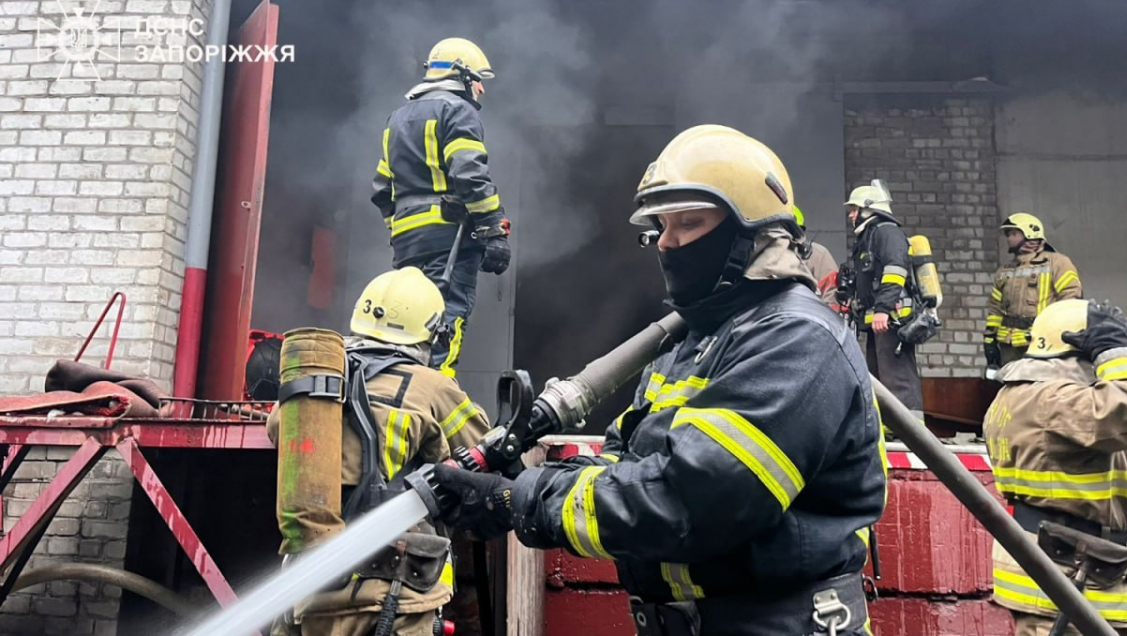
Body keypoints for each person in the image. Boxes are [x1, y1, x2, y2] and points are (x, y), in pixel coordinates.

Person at [430, 125, 886, 636]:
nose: (665, 243)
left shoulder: (797, 341)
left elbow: (690, 503)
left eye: (688, 223)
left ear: (749, 231)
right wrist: (517, 481)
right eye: (660, 227)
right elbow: (627, 461)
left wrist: (524, 501)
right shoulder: (690, 346)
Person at [269, 268, 491, 636]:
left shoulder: (314, 381)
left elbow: (279, 430)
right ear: (431, 332)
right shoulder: (433, 386)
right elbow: (482, 447)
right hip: (398, 591)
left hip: (310, 587)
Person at [983, 298, 1127, 635]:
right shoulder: (1053, 400)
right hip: (1069, 585)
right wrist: (1117, 352)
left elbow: (1061, 462)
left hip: (1069, 579)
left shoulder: (1020, 395)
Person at [370, 37, 511, 377]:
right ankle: (433, 398)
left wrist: (401, 231)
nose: (481, 88)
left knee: (406, 326)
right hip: (449, 243)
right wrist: (493, 228)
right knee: (444, 321)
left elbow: (381, 189)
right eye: (478, 78)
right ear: (461, 76)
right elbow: (469, 173)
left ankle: (399, 391)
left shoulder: (397, 118)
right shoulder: (457, 111)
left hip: (406, 246)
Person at [844, 180, 924, 418]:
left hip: (891, 316)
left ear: (869, 208)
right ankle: (888, 425)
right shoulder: (869, 236)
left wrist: (883, 309)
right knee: (878, 372)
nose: (851, 215)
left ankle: (911, 427)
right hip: (877, 319)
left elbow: (895, 270)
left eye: (854, 209)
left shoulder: (886, 232)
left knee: (897, 374)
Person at [984, 213, 1082, 371]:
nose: (1009, 238)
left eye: (1014, 233)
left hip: (1043, 344)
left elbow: (1070, 299)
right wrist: (990, 339)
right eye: (1008, 234)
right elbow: (995, 309)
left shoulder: (1057, 263)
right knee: (1011, 391)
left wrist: (1060, 334)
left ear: (1031, 234)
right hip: (1009, 346)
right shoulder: (1004, 271)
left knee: (1041, 389)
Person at [793, 205, 840, 310]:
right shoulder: (764, 255)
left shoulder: (817, 254)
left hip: (809, 318)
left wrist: (829, 320)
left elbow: (831, 293)